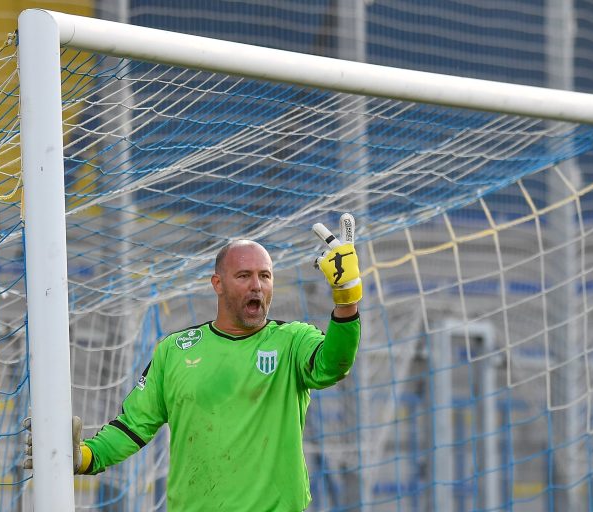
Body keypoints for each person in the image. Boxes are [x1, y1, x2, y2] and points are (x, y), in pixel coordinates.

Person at [24, 214, 363, 512]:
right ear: (218, 284)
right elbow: (132, 427)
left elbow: (333, 364)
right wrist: (84, 457)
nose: (257, 286)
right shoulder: (174, 351)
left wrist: (347, 299)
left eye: (265, 275)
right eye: (244, 275)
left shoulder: (292, 340)